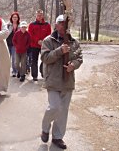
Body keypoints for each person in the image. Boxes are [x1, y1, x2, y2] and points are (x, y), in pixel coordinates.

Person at [40, 14, 83, 149]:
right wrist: (60, 51)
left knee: (63, 110)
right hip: (53, 80)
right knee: (54, 107)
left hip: (67, 81)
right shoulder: (49, 40)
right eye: (61, 23)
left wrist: (73, 65)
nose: (64, 26)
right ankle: (45, 128)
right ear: (56, 25)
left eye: (66, 24)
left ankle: (57, 137)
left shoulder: (74, 42)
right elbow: (45, 58)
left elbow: (79, 57)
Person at [28, 9, 51, 81]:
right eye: (38, 15)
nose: (39, 16)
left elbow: (49, 34)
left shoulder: (47, 25)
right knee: (34, 60)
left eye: (40, 15)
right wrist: (37, 41)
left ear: (42, 15)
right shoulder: (32, 25)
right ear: (36, 16)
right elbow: (30, 34)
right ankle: (34, 76)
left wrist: (43, 41)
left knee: (45, 60)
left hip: (44, 45)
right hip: (34, 45)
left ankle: (43, 72)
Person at [6, 12, 20, 77]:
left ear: (18, 18)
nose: (15, 18)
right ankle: (6, 71)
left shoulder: (20, 25)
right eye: (13, 17)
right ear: (11, 18)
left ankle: (14, 71)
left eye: (16, 17)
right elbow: (6, 34)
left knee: (14, 59)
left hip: (15, 44)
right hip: (8, 43)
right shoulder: (8, 25)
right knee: (7, 58)